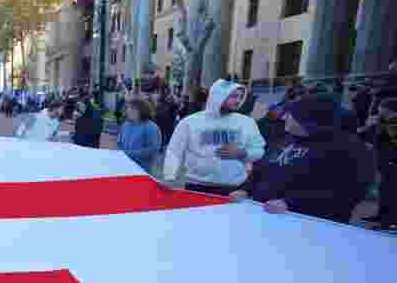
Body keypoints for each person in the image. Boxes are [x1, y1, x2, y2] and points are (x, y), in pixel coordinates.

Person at [229, 94, 375, 224]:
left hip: (309, 224)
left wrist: (290, 203)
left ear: (308, 119)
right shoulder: (285, 140)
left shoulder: (348, 148)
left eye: (291, 114)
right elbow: (261, 169)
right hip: (265, 216)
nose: (285, 117)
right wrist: (245, 189)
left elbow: (346, 190)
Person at [163, 79, 266, 196]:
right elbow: (174, 151)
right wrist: (169, 177)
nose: (238, 100)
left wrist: (242, 153)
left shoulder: (247, 122)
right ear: (218, 96)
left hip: (234, 188)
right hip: (197, 186)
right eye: (233, 96)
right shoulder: (190, 122)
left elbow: (259, 149)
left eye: (240, 97)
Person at [361, 98, 397, 231]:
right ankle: (381, 216)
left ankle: (390, 222)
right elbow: (371, 135)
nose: (379, 110)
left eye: (382, 108)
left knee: (392, 193)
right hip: (384, 162)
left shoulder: (392, 123)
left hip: (393, 163)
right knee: (384, 191)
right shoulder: (382, 121)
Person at [117, 98, 162, 173]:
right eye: (127, 108)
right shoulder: (125, 125)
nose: (127, 110)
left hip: (141, 169)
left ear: (140, 110)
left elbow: (152, 149)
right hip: (124, 167)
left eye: (131, 108)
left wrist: (128, 154)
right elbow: (119, 142)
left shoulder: (151, 127)